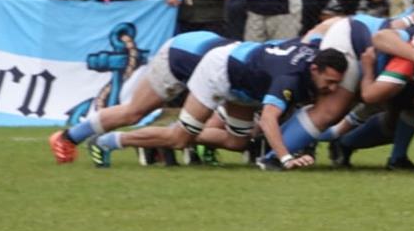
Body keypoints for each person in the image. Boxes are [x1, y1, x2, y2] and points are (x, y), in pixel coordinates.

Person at [88, 41, 348, 169]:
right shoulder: (289, 77)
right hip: (219, 71)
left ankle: (181, 130)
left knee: (237, 142)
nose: (332, 89)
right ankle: (109, 141)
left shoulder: (314, 55)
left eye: (338, 84)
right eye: (329, 81)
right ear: (315, 68)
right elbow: (269, 118)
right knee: (179, 139)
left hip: (243, 83)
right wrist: (285, 157)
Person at [49, 30, 232, 165]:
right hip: (180, 54)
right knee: (134, 112)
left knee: (201, 122)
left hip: (200, 48)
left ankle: (165, 140)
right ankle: (68, 137)